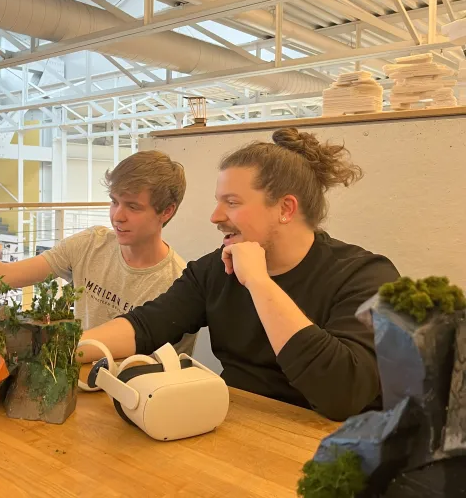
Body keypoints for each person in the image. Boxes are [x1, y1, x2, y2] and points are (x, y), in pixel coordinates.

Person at [77, 128, 400, 421]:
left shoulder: (366, 277)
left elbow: (342, 395)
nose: (215, 217)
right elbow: (145, 326)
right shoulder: (214, 270)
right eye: (219, 202)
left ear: (285, 209)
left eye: (231, 203)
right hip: (235, 427)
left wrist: (259, 283)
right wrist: (61, 349)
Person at [0, 150, 197, 354]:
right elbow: (7, 276)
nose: (118, 215)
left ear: (166, 211)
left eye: (133, 207)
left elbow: (162, 375)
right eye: (114, 201)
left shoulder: (178, 285)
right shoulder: (91, 244)